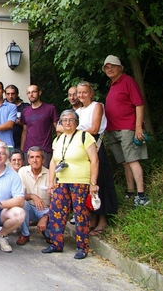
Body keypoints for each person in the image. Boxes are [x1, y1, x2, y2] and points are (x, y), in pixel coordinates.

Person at [43, 109, 99, 260]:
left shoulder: (84, 137)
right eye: (64, 120)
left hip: (81, 181)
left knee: (81, 214)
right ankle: (56, 243)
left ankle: (82, 247)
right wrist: (51, 182)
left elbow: (94, 160)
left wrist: (93, 183)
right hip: (62, 182)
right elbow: (53, 161)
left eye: (71, 120)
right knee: (57, 212)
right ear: (60, 123)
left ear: (76, 122)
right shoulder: (58, 140)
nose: (67, 123)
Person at [102, 55, 149, 207]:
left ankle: (142, 195)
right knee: (124, 162)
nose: (109, 69)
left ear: (120, 68)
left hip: (127, 127)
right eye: (106, 67)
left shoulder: (128, 81)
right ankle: (130, 191)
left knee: (132, 160)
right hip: (113, 129)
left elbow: (139, 104)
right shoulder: (112, 85)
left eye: (112, 66)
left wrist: (138, 127)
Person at [76, 81, 118, 234]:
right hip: (83, 149)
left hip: (96, 146)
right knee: (88, 182)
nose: (81, 95)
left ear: (91, 93)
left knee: (100, 181)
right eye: (79, 92)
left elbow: (94, 129)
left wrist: (77, 132)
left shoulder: (97, 106)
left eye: (84, 92)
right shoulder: (79, 111)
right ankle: (93, 217)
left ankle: (103, 220)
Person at [17, 147, 51, 245]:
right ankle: (25, 234)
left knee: (51, 238)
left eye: (38, 157)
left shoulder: (49, 174)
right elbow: (20, 195)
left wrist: (46, 216)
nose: (34, 160)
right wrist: (33, 196)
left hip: (45, 210)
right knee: (22, 203)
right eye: (32, 157)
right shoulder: (22, 171)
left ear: (43, 160)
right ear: (28, 160)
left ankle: (46, 231)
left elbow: (55, 200)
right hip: (29, 208)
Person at [21, 84, 59, 168]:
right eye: (29, 93)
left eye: (34, 92)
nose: (31, 94)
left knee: (45, 176)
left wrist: (58, 147)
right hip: (28, 150)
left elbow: (58, 129)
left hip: (44, 149)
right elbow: (24, 131)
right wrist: (22, 150)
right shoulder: (25, 111)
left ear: (40, 92)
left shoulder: (50, 109)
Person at [5, 85, 29, 151]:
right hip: (6, 142)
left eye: (12, 94)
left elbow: (30, 125)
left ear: (17, 94)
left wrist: (19, 122)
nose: (10, 96)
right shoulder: (2, 108)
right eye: (8, 94)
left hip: (21, 142)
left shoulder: (25, 107)